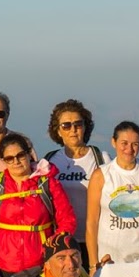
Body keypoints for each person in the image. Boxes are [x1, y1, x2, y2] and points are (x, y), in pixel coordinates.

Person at [0, 132, 76, 276]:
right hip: (3, 263)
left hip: (41, 263)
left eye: (20, 155)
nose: (16, 161)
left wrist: (54, 251)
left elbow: (67, 219)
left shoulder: (48, 184)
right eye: (10, 158)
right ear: (3, 161)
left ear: (29, 154)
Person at [87, 122, 139, 268]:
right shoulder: (101, 175)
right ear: (113, 142)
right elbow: (92, 223)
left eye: (135, 144)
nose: (129, 149)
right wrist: (93, 265)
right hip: (111, 261)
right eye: (124, 143)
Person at [43, 100, 110, 250]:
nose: (73, 130)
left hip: (97, 240)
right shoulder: (49, 161)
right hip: (62, 241)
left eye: (78, 124)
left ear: (85, 128)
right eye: (66, 125)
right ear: (58, 131)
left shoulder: (101, 158)